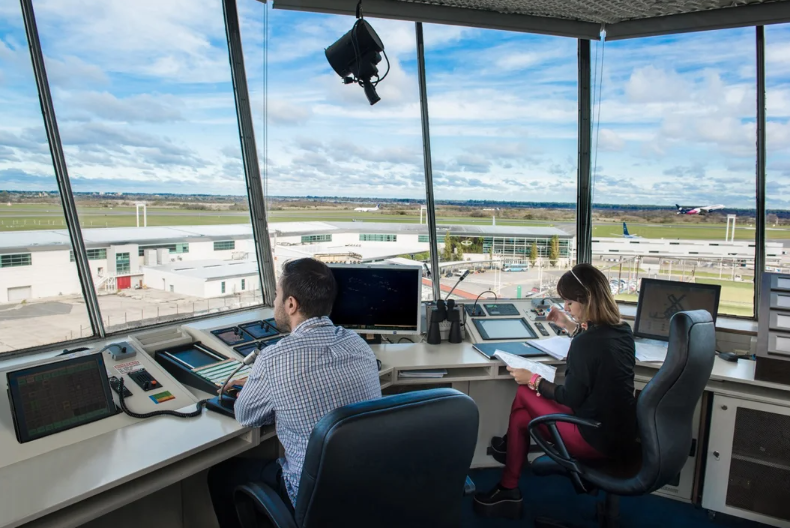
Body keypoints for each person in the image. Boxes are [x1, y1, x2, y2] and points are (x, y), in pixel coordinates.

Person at [208, 258, 382, 528]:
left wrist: (253, 383)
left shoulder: (275, 358)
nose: (275, 303)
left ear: (291, 304)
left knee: (220, 475)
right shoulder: (356, 343)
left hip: (311, 498)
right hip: (366, 487)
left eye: (277, 295)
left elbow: (246, 415)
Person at [474, 263, 637, 519]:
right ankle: (508, 487)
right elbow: (594, 348)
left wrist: (533, 379)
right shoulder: (622, 331)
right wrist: (567, 324)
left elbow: (570, 398)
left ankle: (508, 452)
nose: (568, 308)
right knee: (520, 418)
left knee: (524, 394)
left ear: (586, 301)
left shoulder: (586, 343)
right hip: (619, 433)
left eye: (570, 304)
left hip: (593, 437)